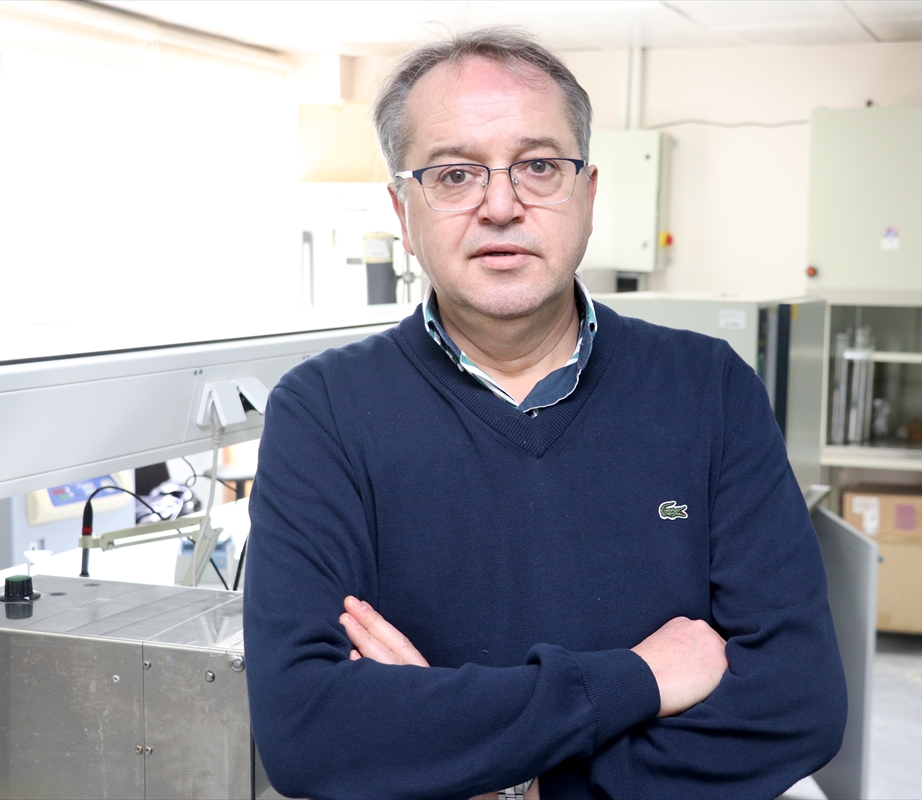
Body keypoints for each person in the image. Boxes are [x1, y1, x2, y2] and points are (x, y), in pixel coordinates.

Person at [244, 26, 846, 800]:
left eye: (537, 166)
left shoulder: (709, 389)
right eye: (454, 174)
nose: (501, 205)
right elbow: (307, 731)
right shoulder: (323, 411)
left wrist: (513, 783)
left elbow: (797, 703)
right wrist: (638, 680)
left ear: (588, 195)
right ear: (402, 209)